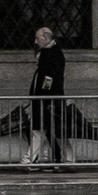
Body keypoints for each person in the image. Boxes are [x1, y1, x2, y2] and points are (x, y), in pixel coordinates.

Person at [26, 26, 66, 164]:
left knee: (46, 131)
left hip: (47, 100)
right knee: (52, 132)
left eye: (37, 38)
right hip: (46, 100)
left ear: (44, 38)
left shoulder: (50, 53)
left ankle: (27, 161)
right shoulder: (51, 52)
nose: (35, 42)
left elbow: (49, 78)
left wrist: (43, 95)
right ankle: (67, 160)